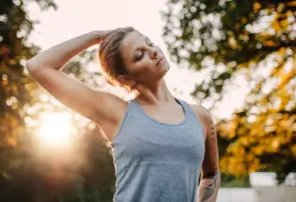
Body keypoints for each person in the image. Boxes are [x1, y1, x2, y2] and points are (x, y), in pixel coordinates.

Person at [26, 27, 220, 202]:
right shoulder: (116, 112)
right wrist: (95, 36)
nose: (153, 51)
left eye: (149, 43)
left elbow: (211, 174)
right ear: (126, 78)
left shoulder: (200, 117)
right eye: (139, 55)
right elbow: (38, 66)